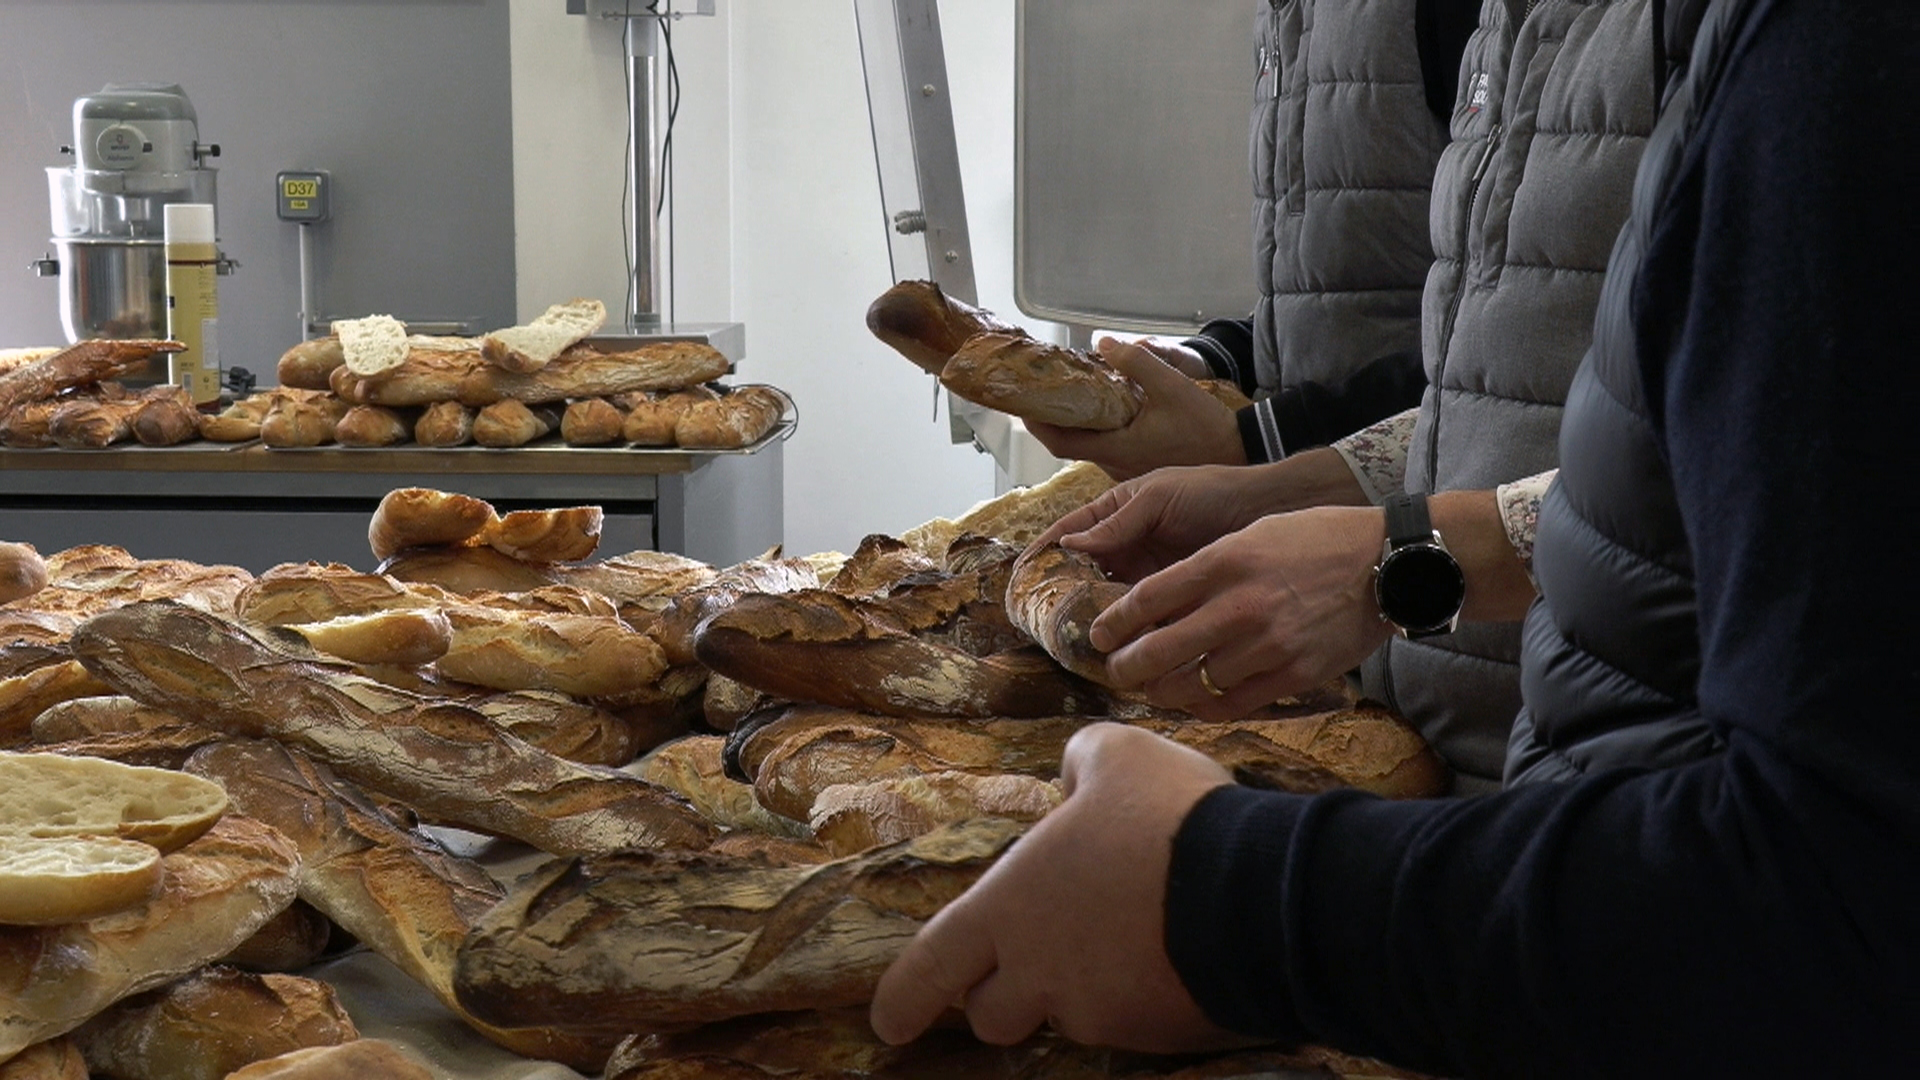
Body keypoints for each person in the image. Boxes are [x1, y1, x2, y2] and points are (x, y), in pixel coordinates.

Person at [869, 0, 1920, 1073]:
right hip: (1527, 875)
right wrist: (1296, 479)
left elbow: (1834, 903)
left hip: (1570, 886)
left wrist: (1237, 898)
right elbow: (1554, 407)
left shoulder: (1838, 51)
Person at [1033, 0, 1662, 795]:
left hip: (1621, 768)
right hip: (1443, 734)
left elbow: (1755, 477)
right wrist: (1277, 485)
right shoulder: (1513, 20)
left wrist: (1397, 559)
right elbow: (1477, 387)